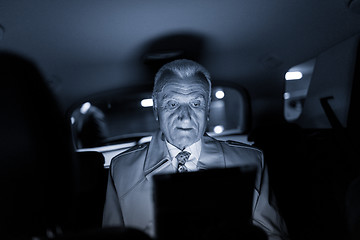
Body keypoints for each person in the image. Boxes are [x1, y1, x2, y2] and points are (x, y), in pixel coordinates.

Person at [102, 59, 288, 240]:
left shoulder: (251, 161)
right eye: (173, 104)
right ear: (156, 109)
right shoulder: (121, 169)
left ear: (207, 110)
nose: (185, 118)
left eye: (196, 103)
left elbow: (272, 235)